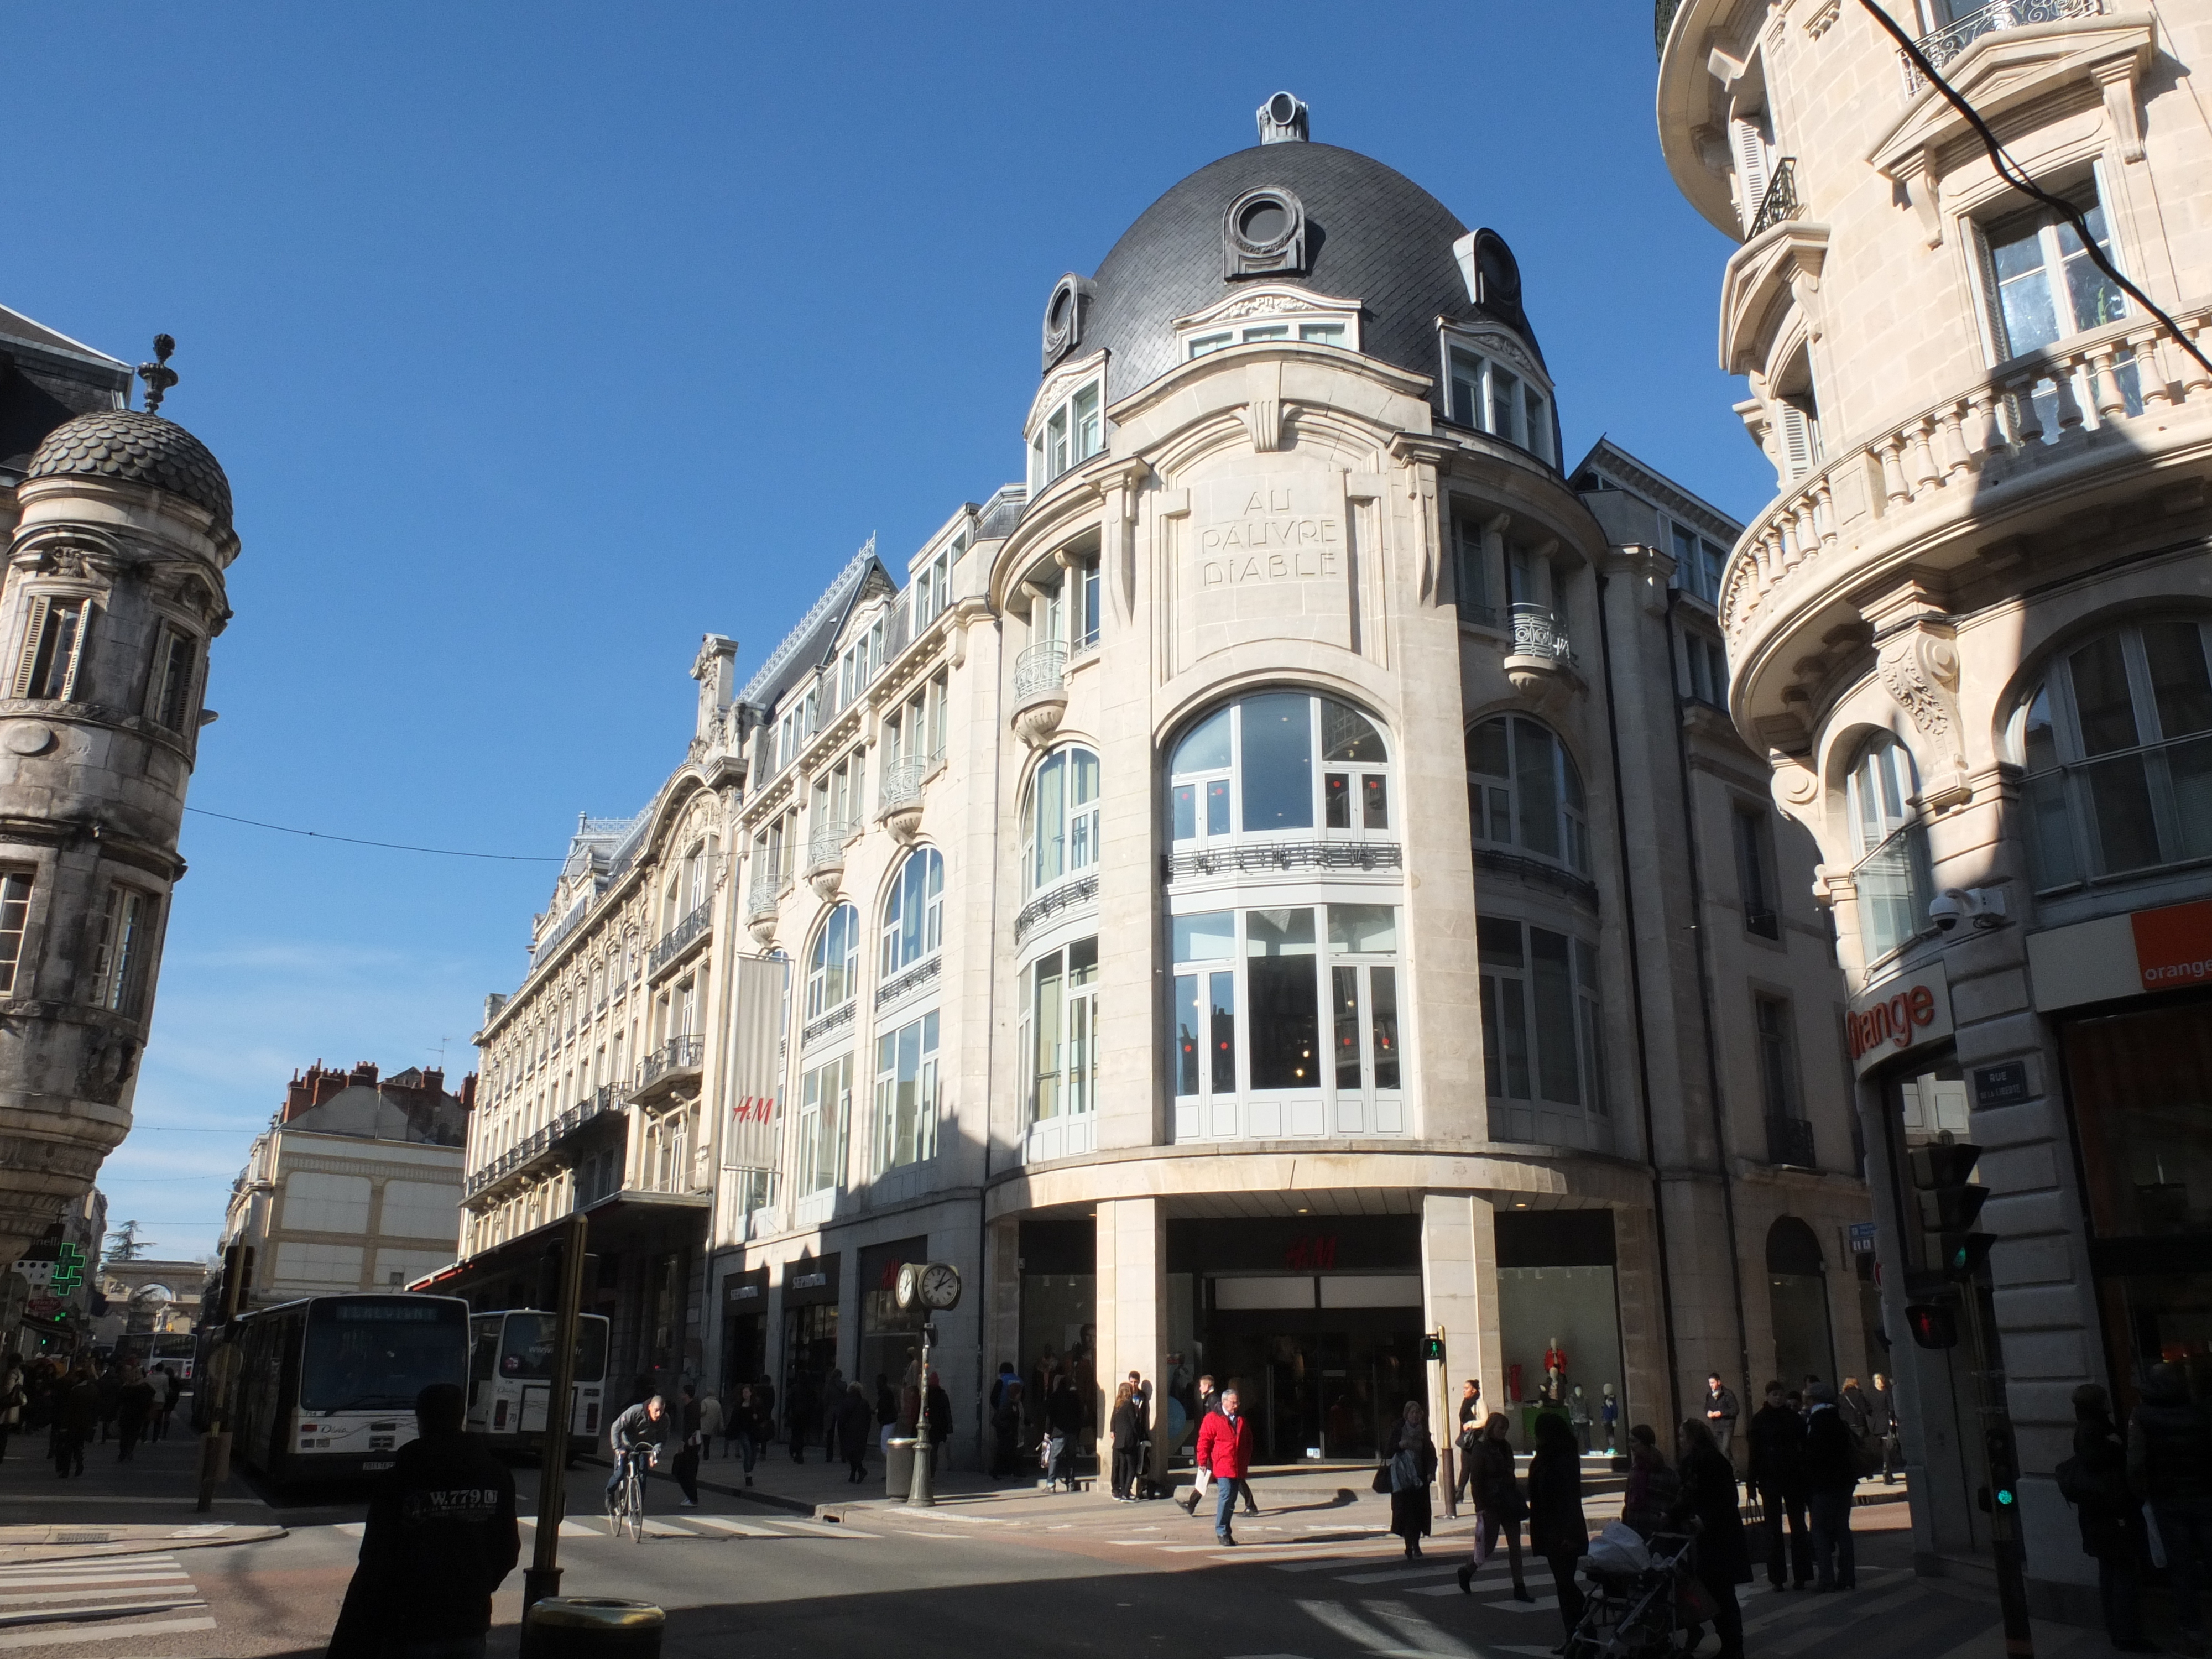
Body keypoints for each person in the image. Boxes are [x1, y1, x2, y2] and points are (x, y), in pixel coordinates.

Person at [326, 1382, 519, 1659]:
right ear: (460, 1417)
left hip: (410, 1621)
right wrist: (478, 1585)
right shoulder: (497, 1476)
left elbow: (375, 1555)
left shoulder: (399, 1479)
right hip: (468, 1619)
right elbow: (508, 1550)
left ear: (420, 1420)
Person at [2062, 1382, 2152, 1652]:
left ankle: (2118, 1629)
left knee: (2110, 1569)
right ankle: (2127, 1633)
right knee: (2122, 1569)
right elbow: (2111, 1464)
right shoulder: (2099, 1430)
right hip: (2113, 1511)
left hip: (2097, 1512)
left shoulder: (2085, 1429)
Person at [2130, 1361, 2212, 1648]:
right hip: (2204, 1493)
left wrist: (2144, 1492)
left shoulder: (2143, 1416)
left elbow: (2136, 1461)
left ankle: (2192, 1630)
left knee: (2181, 1567)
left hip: (2168, 1498)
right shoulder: (2200, 1411)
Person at [1671, 1418, 1750, 1659]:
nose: (1680, 1441)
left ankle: (1733, 1645)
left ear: (1694, 1438)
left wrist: (1705, 1519)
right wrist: (1671, 1516)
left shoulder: (1712, 1462)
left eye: (1683, 1436)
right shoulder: (1691, 1463)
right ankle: (1729, 1642)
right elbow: (1685, 1497)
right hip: (1704, 1538)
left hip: (1719, 1537)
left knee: (1722, 1593)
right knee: (1713, 1592)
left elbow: (1726, 1499)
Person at [1526, 1411, 1589, 1637]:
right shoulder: (1545, 1456)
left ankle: (1582, 1628)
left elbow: (1569, 1498)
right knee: (1562, 1584)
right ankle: (1573, 1632)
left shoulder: (1564, 1458)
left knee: (1565, 1583)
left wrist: (1570, 1535)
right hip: (1548, 1528)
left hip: (1563, 1531)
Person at [1747, 1380, 1812, 1590]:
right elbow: (1754, 1454)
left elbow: (1804, 1448)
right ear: (1767, 1396)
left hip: (1793, 1478)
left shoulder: (1793, 1419)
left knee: (1798, 1528)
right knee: (1773, 1530)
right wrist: (1751, 1483)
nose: (1777, 1398)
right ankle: (1777, 1578)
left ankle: (1801, 1575)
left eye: (1780, 1395)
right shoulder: (1759, 1421)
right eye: (1774, 1395)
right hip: (1770, 1479)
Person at [1459, 1412, 1533, 1598]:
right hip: (1491, 1502)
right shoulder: (1481, 1448)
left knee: (1515, 1546)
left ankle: (1519, 1586)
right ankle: (1468, 1571)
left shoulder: (1506, 1447)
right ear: (1491, 1427)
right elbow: (1476, 1480)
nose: (1503, 1432)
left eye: (1506, 1429)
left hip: (1508, 1500)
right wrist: (1480, 1506)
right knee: (1488, 1545)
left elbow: (1511, 1471)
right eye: (1500, 1428)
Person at [1802, 1381, 1858, 1591]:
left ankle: (1827, 1578)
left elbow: (1813, 1457)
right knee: (1843, 1529)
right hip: (1845, 1482)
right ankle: (1848, 1576)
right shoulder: (1839, 1420)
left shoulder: (1815, 1422)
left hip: (1823, 1485)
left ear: (1814, 1400)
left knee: (1819, 1531)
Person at [1195, 1383, 1255, 1546]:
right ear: (1225, 1402)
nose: (1236, 1406)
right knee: (1226, 1494)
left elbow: (1248, 1441)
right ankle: (1221, 1530)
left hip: (1237, 1465)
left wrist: (1246, 1460)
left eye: (1237, 1403)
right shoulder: (1213, 1418)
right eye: (1234, 1403)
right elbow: (1204, 1441)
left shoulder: (1241, 1420)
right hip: (1222, 1464)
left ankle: (1226, 1530)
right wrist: (1203, 1461)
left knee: (1232, 1500)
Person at [1385, 1400, 1437, 1559]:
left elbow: (1431, 1455)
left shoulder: (1424, 1433)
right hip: (1403, 1480)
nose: (1415, 1416)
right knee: (1407, 1515)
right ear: (1407, 1415)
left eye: (1418, 1413)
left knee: (1419, 1514)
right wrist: (1400, 1445)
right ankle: (1409, 1546)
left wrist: (1430, 1472)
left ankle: (1416, 1544)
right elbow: (1388, 1451)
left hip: (1420, 1479)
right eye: (1412, 1413)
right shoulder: (1398, 1430)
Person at [604, 1394, 669, 1514]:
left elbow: (662, 1439)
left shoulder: (664, 1420)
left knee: (642, 1477)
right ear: (650, 1407)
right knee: (620, 1473)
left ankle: (636, 1509)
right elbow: (616, 1427)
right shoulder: (635, 1411)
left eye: (661, 1411)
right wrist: (618, 1448)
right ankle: (610, 1492)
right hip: (626, 1445)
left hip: (643, 1447)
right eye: (656, 1411)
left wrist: (655, 1453)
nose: (658, 1414)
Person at [1621, 1424, 1680, 1536]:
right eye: (1629, 1441)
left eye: (1634, 1441)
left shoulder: (1666, 1473)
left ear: (1645, 1443)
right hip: (1635, 1526)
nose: (1630, 1446)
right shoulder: (1635, 1469)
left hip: (1655, 1529)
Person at [1178, 1374, 1220, 1514]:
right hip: (1212, 1445)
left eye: (1202, 1385)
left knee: (1229, 1479)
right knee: (1207, 1475)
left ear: (1208, 1386)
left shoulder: (1213, 1400)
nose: (1200, 1388)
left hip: (1213, 1445)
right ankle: (1191, 1504)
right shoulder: (1209, 1399)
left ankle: (1250, 1504)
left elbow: (1215, 1422)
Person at [53, 1365, 95, 1479]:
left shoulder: (76, 1390)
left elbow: (70, 1409)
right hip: (85, 1423)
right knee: (78, 1446)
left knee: (68, 1447)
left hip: (73, 1423)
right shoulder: (93, 1389)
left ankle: (66, 1471)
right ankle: (79, 1465)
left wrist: (65, 1425)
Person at [1045, 1373, 1083, 1492]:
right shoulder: (1074, 1397)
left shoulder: (1054, 1397)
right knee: (1071, 1457)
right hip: (1072, 1431)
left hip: (1059, 1432)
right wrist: (1078, 1431)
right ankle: (1071, 1482)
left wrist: (1047, 1432)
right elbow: (1079, 1415)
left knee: (1055, 1457)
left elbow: (1049, 1416)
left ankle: (1051, 1484)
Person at [1110, 1381, 1144, 1501]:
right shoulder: (1129, 1404)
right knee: (1132, 1467)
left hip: (1119, 1441)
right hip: (1129, 1440)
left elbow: (1114, 1420)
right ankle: (1125, 1493)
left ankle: (1124, 1491)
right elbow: (1134, 1422)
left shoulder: (1118, 1405)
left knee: (1123, 1467)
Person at [113, 1363, 154, 1462]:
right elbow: (151, 1397)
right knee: (134, 1434)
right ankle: (130, 1450)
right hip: (139, 1415)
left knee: (124, 1435)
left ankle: (123, 1452)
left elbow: (119, 1400)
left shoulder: (127, 1387)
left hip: (126, 1414)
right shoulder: (145, 1388)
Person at [671, 1384, 702, 1507]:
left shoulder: (691, 1407)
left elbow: (691, 1427)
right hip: (692, 1443)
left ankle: (692, 1497)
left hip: (691, 1444)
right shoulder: (691, 1406)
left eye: (683, 1393)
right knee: (685, 1470)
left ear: (687, 1394)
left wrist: (683, 1442)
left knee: (684, 1470)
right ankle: (690, 1496)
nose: (681, 1395)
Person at [836, 1382, 873, 1484]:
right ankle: (853, 1475)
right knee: (856, 1454)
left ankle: (860, 1471)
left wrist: (840, 1432)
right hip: (861, 1432)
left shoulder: (846, 1402)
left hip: (849, 1432)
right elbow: (868, 1419)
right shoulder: (864, 1403)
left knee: (850, 1454)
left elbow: (841, 1419)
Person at [1453, 1380, 1483, 1505]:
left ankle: (1476, 1494)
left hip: (1476, 1439)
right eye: (1464, 1388)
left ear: (1474, 1390)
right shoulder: (1466, 1402)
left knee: (1475, 1468)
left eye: (1467, 1388)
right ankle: (1460, 1493)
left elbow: (1485, 1420)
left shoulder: (1478, 1403)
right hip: (1467, 1439)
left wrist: (1471, 1424)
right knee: (1465, 1467)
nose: (1464, 1390)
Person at [1869, 1373, 1900, 1483]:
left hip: (1875, 1425)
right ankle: (1887, 1471)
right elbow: (1891, 1409)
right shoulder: (1886, 1392)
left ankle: (1885, 1468)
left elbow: (1869, 1409)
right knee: (1888, 1448)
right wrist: (1893, 1420)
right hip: (1885, 1423)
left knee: (1882, 1449)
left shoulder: (1871, 1394)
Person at [992, 1379, 1025, 1479]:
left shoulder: (1018, 1405)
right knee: (1004, 1453)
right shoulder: (1007, 1406)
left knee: (1014, 1453)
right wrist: (1007, 1428)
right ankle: (998, 1472)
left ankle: (1014, 1472)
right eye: (1019, 1394)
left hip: (1013, 1433)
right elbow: (999, 1420)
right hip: (1007, 1434)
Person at [1704, 1374, 1741, 1460]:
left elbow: (1735, 1410)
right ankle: (1731, 1468)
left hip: (1727, 1425)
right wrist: (1708, 1412)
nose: (1711, 1385)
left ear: (1719, 1382)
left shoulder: (1728, 1394)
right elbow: (1707, 1407)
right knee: (1722, 1450)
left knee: (1725, 1449)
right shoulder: (1710, 1395)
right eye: (1710, 1383)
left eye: (1713, 1382)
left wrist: (1721, 1413)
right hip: (1716, 1425)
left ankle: (1733, 1470)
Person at [696, 1387, 723, 1462]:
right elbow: (720, 1414)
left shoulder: (705, 1402)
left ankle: (704, 1454)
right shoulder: (717, 1403)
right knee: (708, 1440)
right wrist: (721, 1425)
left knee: (703, 1439)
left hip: (705, 1422)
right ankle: (707, 1454)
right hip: (713, 1423)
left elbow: (703, 1411)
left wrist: (698, 1414)